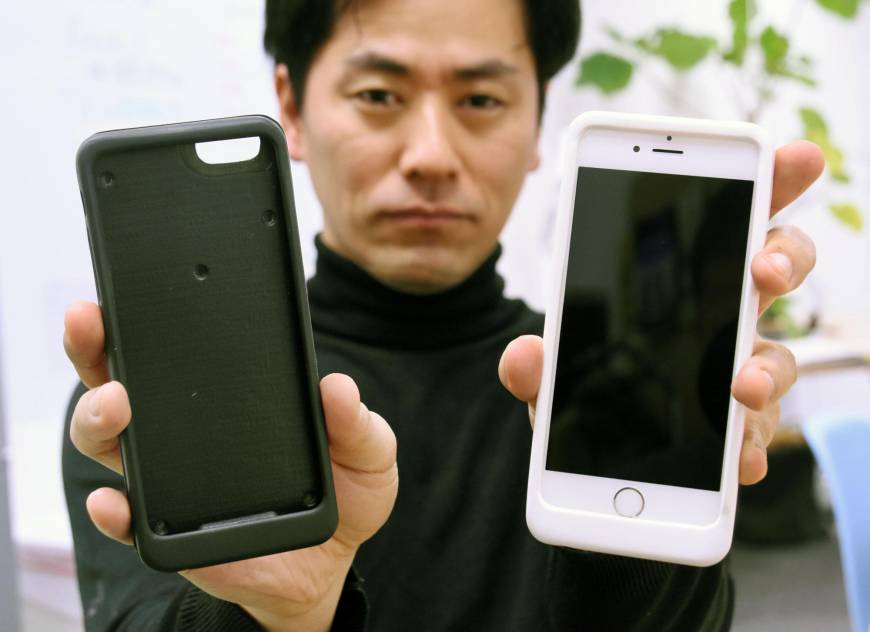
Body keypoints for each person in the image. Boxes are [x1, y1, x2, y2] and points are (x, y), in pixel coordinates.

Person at [61, 0, 822, 630]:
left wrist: (653, 512)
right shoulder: (153, 402)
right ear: (291, 106)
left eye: (481, 101)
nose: (430, 155)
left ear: (538, 121)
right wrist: (275, 616)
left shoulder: (589, 388)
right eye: (378, 95)